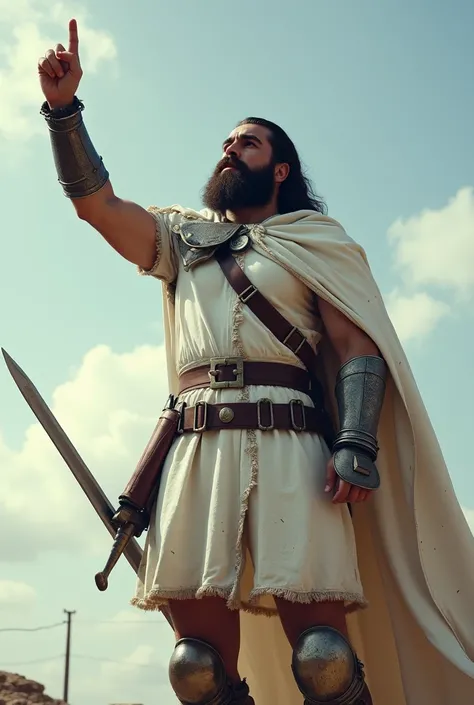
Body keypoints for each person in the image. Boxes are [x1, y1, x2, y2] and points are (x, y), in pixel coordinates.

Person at [37, 19, 474, 705]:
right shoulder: (183, 238)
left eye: (247, 141)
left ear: (280, 168)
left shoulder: (314, 241)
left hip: (293, 446)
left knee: (324, 658)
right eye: (226, 142)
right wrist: (63, 111)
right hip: (196, 450)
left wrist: (356, 441)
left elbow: (356, 348)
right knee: (196, 665)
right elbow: (98, 207)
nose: (228, 149)